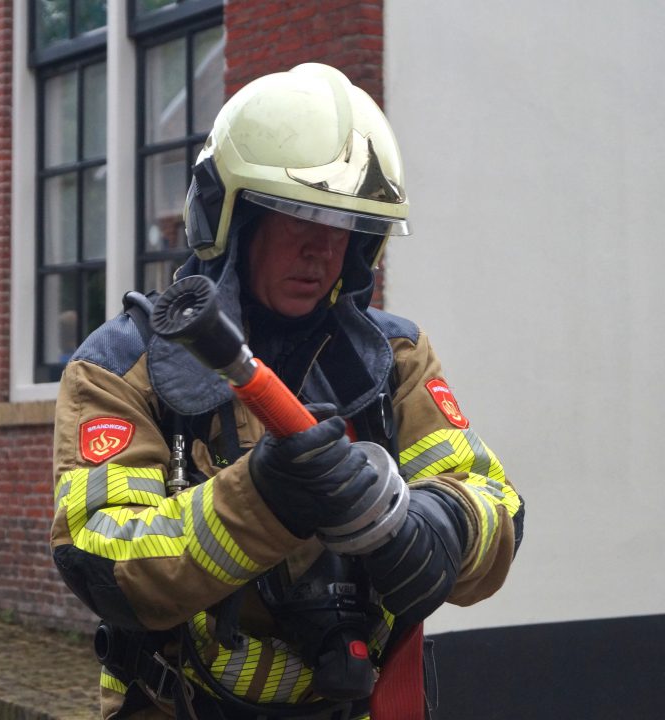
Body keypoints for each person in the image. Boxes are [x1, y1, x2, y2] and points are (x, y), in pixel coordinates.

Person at [51, 63, 524, 720]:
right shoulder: (122, 367)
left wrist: (438, 527)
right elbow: (103, 558)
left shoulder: (393, 360)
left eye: (345, 225)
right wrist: (262, 499)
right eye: (295, 215)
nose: (321, 250)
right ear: (234, 218)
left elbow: (495, 503)